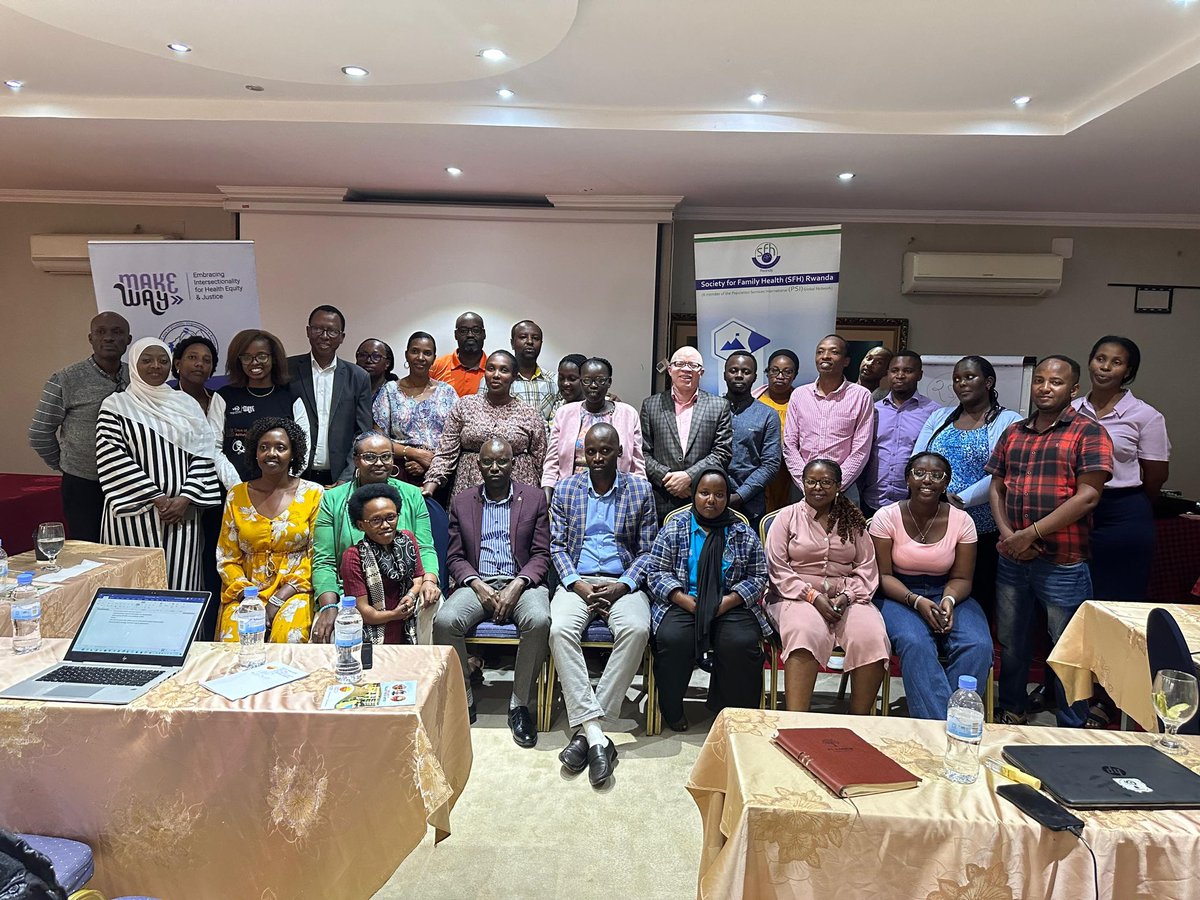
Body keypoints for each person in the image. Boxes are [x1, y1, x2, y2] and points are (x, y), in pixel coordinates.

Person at [986, 355, 1113, 727]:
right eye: (1039, 380)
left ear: (1073, 389)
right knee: (1012, 641)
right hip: (1013, 557)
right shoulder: (1015, 432)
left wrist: (1032, 533)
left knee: (1068, 647)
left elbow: (1088, 496)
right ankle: (1012, 705)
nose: (1045, 388)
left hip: (1063, 560)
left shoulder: (1088, 432)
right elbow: (997, 486)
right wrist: (1010, 536)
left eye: (1055, 382)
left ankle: (1072, 721)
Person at [549, 423, 658, 788]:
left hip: (620, 582)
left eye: (605, 451)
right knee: (560, 628)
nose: (597, 458)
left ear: (620, 452)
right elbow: (557, 547)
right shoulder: (566, 489)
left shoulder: (640, 489)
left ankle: (586, 729)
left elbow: (647, 552)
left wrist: (623, 585)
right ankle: (597, 735)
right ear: (583, 453)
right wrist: (576, 584)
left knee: (637, 628)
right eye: (591, 452)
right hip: (576, 581)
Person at [435, 438, 552, 746]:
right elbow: (455, 557)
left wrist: (518, 584)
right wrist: (477, 584)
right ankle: (465, 696)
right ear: (478, 465)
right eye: (488, 462)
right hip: (478, 582)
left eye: (502, 461)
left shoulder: (534, 498)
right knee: (445, 621)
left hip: (522, 582)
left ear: (513, 464)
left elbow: (541, 554)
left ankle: (520, 705)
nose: (495, 468)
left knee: (539, 619)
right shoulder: (462, 501)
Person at [869, 452, 993, 719]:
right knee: (915, 642)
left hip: (948, 591)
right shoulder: (886, 516)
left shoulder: (962, 521)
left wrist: (947, 601)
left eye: (937, 475)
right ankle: (940, 726)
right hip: (897, 593)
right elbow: (882, 576)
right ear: (907, 479)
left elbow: (962, 578)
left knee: (978, 644)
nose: (928, 480)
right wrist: (916, 600)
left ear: (946, 483)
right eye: (919, 473)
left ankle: (959, 718)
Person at [646, 468, 768, 731]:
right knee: (672, 639)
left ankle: (732, 713)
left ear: (727, 498)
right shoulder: (675, 529)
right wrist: (684, 600)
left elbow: (758, 576)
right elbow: (655, 572)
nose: (711, 500)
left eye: (719, 494)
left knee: (742, 642)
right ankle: (672, 709)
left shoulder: (741, 532)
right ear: (693, 495)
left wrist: (728, 601)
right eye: (704, 493)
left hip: (728, 603)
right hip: (684, 600)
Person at [96, 338, 221, 591]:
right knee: (136, 587)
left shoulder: (186, 404)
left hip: (182, 515)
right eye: (147, 360)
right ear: (133, 364)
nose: (155, 366)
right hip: (134, 513)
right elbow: (112, 456)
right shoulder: (116, 405)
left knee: (182, 587)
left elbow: (203, 453)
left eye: (163, 361)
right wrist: (157, 498)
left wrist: (185, 498)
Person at [764, 459, 887, 714]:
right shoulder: (787, 517)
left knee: (871, 635)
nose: (817, 487)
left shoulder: (853, 520)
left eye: (826, 482)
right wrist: (812, 596)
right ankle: (796, 720)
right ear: (802, 483)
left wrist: (847, 596)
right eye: (811, 481)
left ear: (839, 486)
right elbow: (777, 567)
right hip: (793, 595)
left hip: (847, 596)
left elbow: (866, 567)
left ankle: (860, 720)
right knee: (804, 631)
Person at [914, 356, 1022, 621]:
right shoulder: (939, 416)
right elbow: (918, 460)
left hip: (982, 526)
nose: (961, 383)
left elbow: (1002, 471)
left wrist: (960, 499)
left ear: (988, 382)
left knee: (978, 595)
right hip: (936, 522)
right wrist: (938, 496)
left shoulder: (1009, 420)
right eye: (956, 379)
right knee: (936, 589)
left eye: (969, 377)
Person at [312, 432, 440, 643]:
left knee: (432, 607)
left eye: (386, 456)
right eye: (370, 456)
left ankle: (423, 674)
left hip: (408, 589)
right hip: (351, 595)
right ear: (356, 460)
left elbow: (425, 548)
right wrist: (328, 605)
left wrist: (428, 581)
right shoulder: (332, 500)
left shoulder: (412, 495)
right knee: (331, 630)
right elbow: (324, 561)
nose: (379, 463)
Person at [1072, 336, 1170, 600]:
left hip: (1122, 513)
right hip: (1072, 510)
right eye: (1100, 359)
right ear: (1091, 362)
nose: (1105, 367)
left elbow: (1156, 475)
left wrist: (1131, 502)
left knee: (1117, 596)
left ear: (1127, 371)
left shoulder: (1145, 415)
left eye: (1116, 362)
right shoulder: (1070, 410)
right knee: (1069, 595)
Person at [216, 417, 323, 643]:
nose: (271, 453)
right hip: (244, 593)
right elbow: (227, 558)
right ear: (255, 453)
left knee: (289, 635)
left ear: (294, 453)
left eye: (280, 448)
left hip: (295, 591)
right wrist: (249, 596)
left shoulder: (314, 494)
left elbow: (317, 557)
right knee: (236, 638)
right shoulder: (236, 495)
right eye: (263, 447)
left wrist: (279, 598)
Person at [29, 311, 132, 541]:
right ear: (90, 338)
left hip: (129, 484)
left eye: (117, 332)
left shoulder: (136, 376)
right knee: (90, 551)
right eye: (101, 332)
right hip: (84, 485)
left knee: (128, 550)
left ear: (128, 340)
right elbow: (39, 433)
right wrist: (67, 465)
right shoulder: (66, 378)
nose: (108, 338)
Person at [422, 350, 547, 500]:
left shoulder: (529, 413)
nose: (496, 375)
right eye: (491, 368)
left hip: (519, 491)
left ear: (514, 377)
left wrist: (543, 499)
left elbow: (541, 460)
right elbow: (446, 453)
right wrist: (429, 488)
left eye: (504, 370)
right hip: (470, 488)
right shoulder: (465, 405)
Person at [172, 334, 229, 635]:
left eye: (207, 360)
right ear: (178, 363)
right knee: (187, 566)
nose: (200, 364)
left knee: (214, 563)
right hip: (181, 497)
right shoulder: (165, 402)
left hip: (219, 494)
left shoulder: (217, 399)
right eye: (193, 357)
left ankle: (212, 632)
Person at [640, 347, 733, 522]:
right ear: (670, 370)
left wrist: (690, 477)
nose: (686, 369)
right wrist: (667, 478)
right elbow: (641, 452)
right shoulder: (651, 405)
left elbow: (722, 452)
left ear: (701, 372)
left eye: (692, 365)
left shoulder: (719, 406)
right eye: (679, 364)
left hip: (704, 498)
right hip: (662, 498)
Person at [287, 304, 374, 486]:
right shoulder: (287, 370)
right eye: (318, 329)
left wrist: (347, 476)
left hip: (340, 477)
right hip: (294, 475)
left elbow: (363, 432)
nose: (324, 336)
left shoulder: (358, 376)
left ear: (342, 337)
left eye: (332, 331)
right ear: (308, 331)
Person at [782, 335, 874, 505]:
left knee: (845, 532)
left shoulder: (861, 396)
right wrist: (808, 484)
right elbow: (789, 445)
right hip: (802, 488)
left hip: (843, 489)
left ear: (846, 361)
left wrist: (833, 485)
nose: (825, 356)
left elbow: (861, 449)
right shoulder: (799, 395)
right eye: (820, 352)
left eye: (834, 352)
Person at [217, 329, 310, 485]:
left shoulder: (291, 395)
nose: (254, 362)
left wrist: (285, 482)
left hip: (282, 491)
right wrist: (235, 486)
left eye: (262, 356)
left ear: (273, 359)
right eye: (247, 357)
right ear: (238, 360)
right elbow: (214, 448)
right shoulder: (224, 396)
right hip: (234, 489)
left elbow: (303, 446)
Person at [543, 356, 644, 501]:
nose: (593, 385)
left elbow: (637, 464)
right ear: (581, 381)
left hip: (618, 495)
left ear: (609, 382)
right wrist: (547, 495)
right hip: (570, 495)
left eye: (600, 380)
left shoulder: (628, 414)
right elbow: (552, 462)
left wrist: (638, 497)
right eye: (587, 380)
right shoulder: (564, 413)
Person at [339, 482, 427, 645]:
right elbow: (363, 611)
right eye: (376, 521)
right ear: (361, 525)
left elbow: (418, 578)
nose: (386, 525)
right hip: (377, 626)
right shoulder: (353, 556)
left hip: (410, 618)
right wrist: (395, 614)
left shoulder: (407, 539)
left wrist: (411, 595)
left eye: (391, 517)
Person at [373, 331, 460, 489]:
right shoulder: (390, 391)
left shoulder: (447, 392)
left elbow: (456, 438)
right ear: (406, 355)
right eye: (415, 351)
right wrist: (414, 453)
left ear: (434, 357)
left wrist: (431, 461)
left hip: (441, 473)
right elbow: (378, 441)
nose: (420, 358)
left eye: (427, 353)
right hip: (399, 472)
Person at [859, 350, 939, 518]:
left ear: (920, 374)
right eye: (895, 371)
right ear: (888, 374)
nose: (900, 375)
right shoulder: (873, 409)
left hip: (913, 503)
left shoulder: (934, 413)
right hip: (872, 501)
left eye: (908, 371)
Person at [722, 352, 781, 527]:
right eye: (733, 370)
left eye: (746, 371)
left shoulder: (768, 415)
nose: (739, 375)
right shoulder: (711, 409)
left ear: (755, 376)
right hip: (711, 502)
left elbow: (771, 464)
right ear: (725, 374)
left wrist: (740, 496)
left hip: (750, 506)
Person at [477, 320, 557, 421]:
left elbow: (557, 423)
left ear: (541, 343)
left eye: (535, 338)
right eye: (523, 337)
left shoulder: (553, 381)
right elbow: (479, 415)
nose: (530, 342)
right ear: (512, 343)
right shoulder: (493, 379)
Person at [757, 349, 800, 514]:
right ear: (767, 372)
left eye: (787, 372)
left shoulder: (802, 403)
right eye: (774, 370)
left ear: (795, 375)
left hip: (791, 474)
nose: (780, 376)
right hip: (761, 471)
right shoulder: (756, 402)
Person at [430, 311, 490, 397]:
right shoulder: (437, 366)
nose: (470, 335)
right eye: (463, 331)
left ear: (484, 334)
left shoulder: (493, 370)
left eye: (476, 330)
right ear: (455, 335)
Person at [545, 353, 588, 421]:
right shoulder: (558, 407)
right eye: (561, 378)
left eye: (572, 379)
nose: (565, 383)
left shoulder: (595, 407)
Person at [355, 338, 399, 405]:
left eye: (375, 356)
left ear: (387, 363)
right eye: (363, 355)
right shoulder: (348, 387)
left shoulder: (395, 392)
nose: (368, 361)